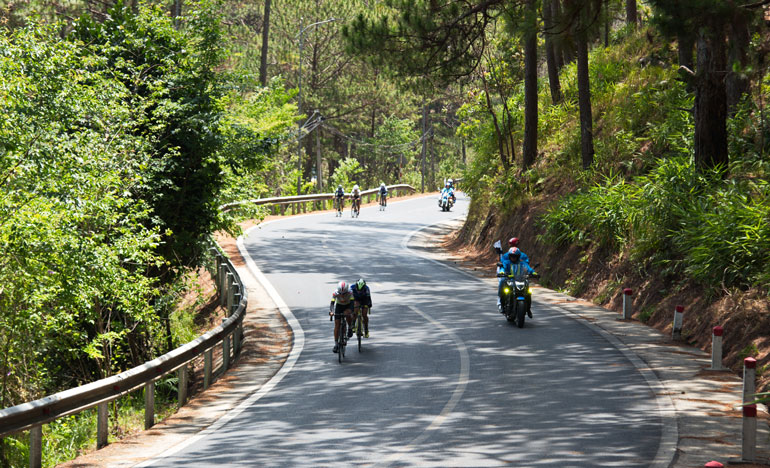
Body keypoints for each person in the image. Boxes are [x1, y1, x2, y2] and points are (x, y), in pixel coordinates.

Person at [494, 240, 537, 317]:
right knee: (504, 289)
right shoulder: (507, 262)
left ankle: (528, 309)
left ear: (518, 256)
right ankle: (502, 302)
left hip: (520, 279)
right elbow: (503, 268)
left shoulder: (522, 263)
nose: (513, 258)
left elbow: (528, 268)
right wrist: (502, 272)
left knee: (528, 292)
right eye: (512, 256)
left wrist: (533, 273)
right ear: (509, 256)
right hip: (510, 280)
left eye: (515, 256)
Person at [329, 281, 354, 353]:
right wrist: (332, 312)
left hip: (348, 305)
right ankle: (336, 344)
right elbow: (332, 304)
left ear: (347, 291)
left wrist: (351, 312)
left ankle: (349, 327)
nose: (342, 295)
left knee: (347, 313)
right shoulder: (335, 293)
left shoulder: (350, 292)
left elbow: (352, 304)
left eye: (344, 294)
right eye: (340, 294)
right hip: (339, 307)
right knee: (337, 325)